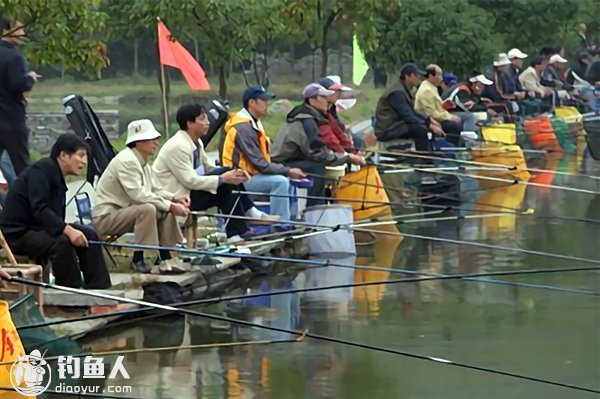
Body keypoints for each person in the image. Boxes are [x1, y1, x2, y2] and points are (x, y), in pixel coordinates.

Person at [153, 103, 280, 240]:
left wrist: (235, 173)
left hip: (189, 192)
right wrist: (223, 178)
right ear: (190, 123)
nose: (208, 123)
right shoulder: (177, 146)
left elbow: (209, 168)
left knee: (229, 176)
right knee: (225, 182)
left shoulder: (196, 142)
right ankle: (243, 224)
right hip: (177, 197)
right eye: (202, 119)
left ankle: (240, 229)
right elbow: (189, 181)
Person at [0, 134, 111, 289]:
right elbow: (40, 209)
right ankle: (69, 294)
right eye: (80, 156)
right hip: (19, 233)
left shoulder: (56, 174)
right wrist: (67, 230)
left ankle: (99, 290)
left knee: (89, 235)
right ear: (63, 155)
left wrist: (67, 229)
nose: (84, 162)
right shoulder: (40, 171)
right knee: (62, 243)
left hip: (40, 229)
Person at [93, 119, 189, 273]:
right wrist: (170, 205)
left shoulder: (141, 162)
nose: (156, 144)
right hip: (106, 217)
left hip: (124, 213)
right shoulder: (127, 161)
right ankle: (138, 258)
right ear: (139, 142)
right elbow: (138, 195)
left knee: (162, 208)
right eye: (152, 140)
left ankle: (166, 256)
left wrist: (173, 198)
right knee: (147, 209)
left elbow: (154, 189)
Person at [271, 83, 365, 205]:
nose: (327, 100)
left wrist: (347, 153)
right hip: (281, 162)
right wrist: (347, 158)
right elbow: (317, 152)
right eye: (323, 97)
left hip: (295, 158)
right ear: (312, 99)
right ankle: (314, 207)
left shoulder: (312, 115)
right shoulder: (306, 120)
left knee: (319, 164)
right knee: (317, 166)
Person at [221, 87, 304, 221]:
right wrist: (287, 170)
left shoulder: (253, 123)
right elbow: (260, 164)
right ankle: (281, 225)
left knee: (289, 181)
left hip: (251, 175)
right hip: (239, 179)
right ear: (252, 103)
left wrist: (287, 171)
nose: (267, 104)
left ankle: (291, 221)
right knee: (280, 182)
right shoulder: (243, 128)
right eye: (264, 100)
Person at [0, 16, 40, 176]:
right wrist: (30, 78)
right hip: (11, 118)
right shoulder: (13, 57)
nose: (23, 33)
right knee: (21, 165)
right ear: (7, 30)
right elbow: (18, 84)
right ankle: (29, 198)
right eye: (20, 29)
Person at [374, 63, 445, 151]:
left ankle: (431, 152)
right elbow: (407, 116)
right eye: (416, 75)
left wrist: (429, 120)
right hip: (388, 130)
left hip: (396, 125)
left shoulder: (403, 89)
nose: (419, 78)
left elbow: (412, 112)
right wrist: (428, 125)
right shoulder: (397, 92)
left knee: (424, 127)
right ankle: (424, 159)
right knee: (420, 130)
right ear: (408, 76)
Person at [414, 64, 464, 146]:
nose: (441, 78)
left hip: (438, 116)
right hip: (429, 121)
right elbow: (431, 113)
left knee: (460, 119)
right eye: (439, 75)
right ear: (431, 75)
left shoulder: (431, 87)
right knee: (456, 125)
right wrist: (450, 117)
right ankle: (451, 147)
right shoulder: (426, 90)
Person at [318, 76, 357, 153]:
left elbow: (337, 129)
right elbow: (329, 137)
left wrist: (349, 147)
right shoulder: (316, 114)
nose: (338, 94)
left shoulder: (328, 110)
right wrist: (345, 154)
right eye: (335, 91)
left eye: (338, 91)